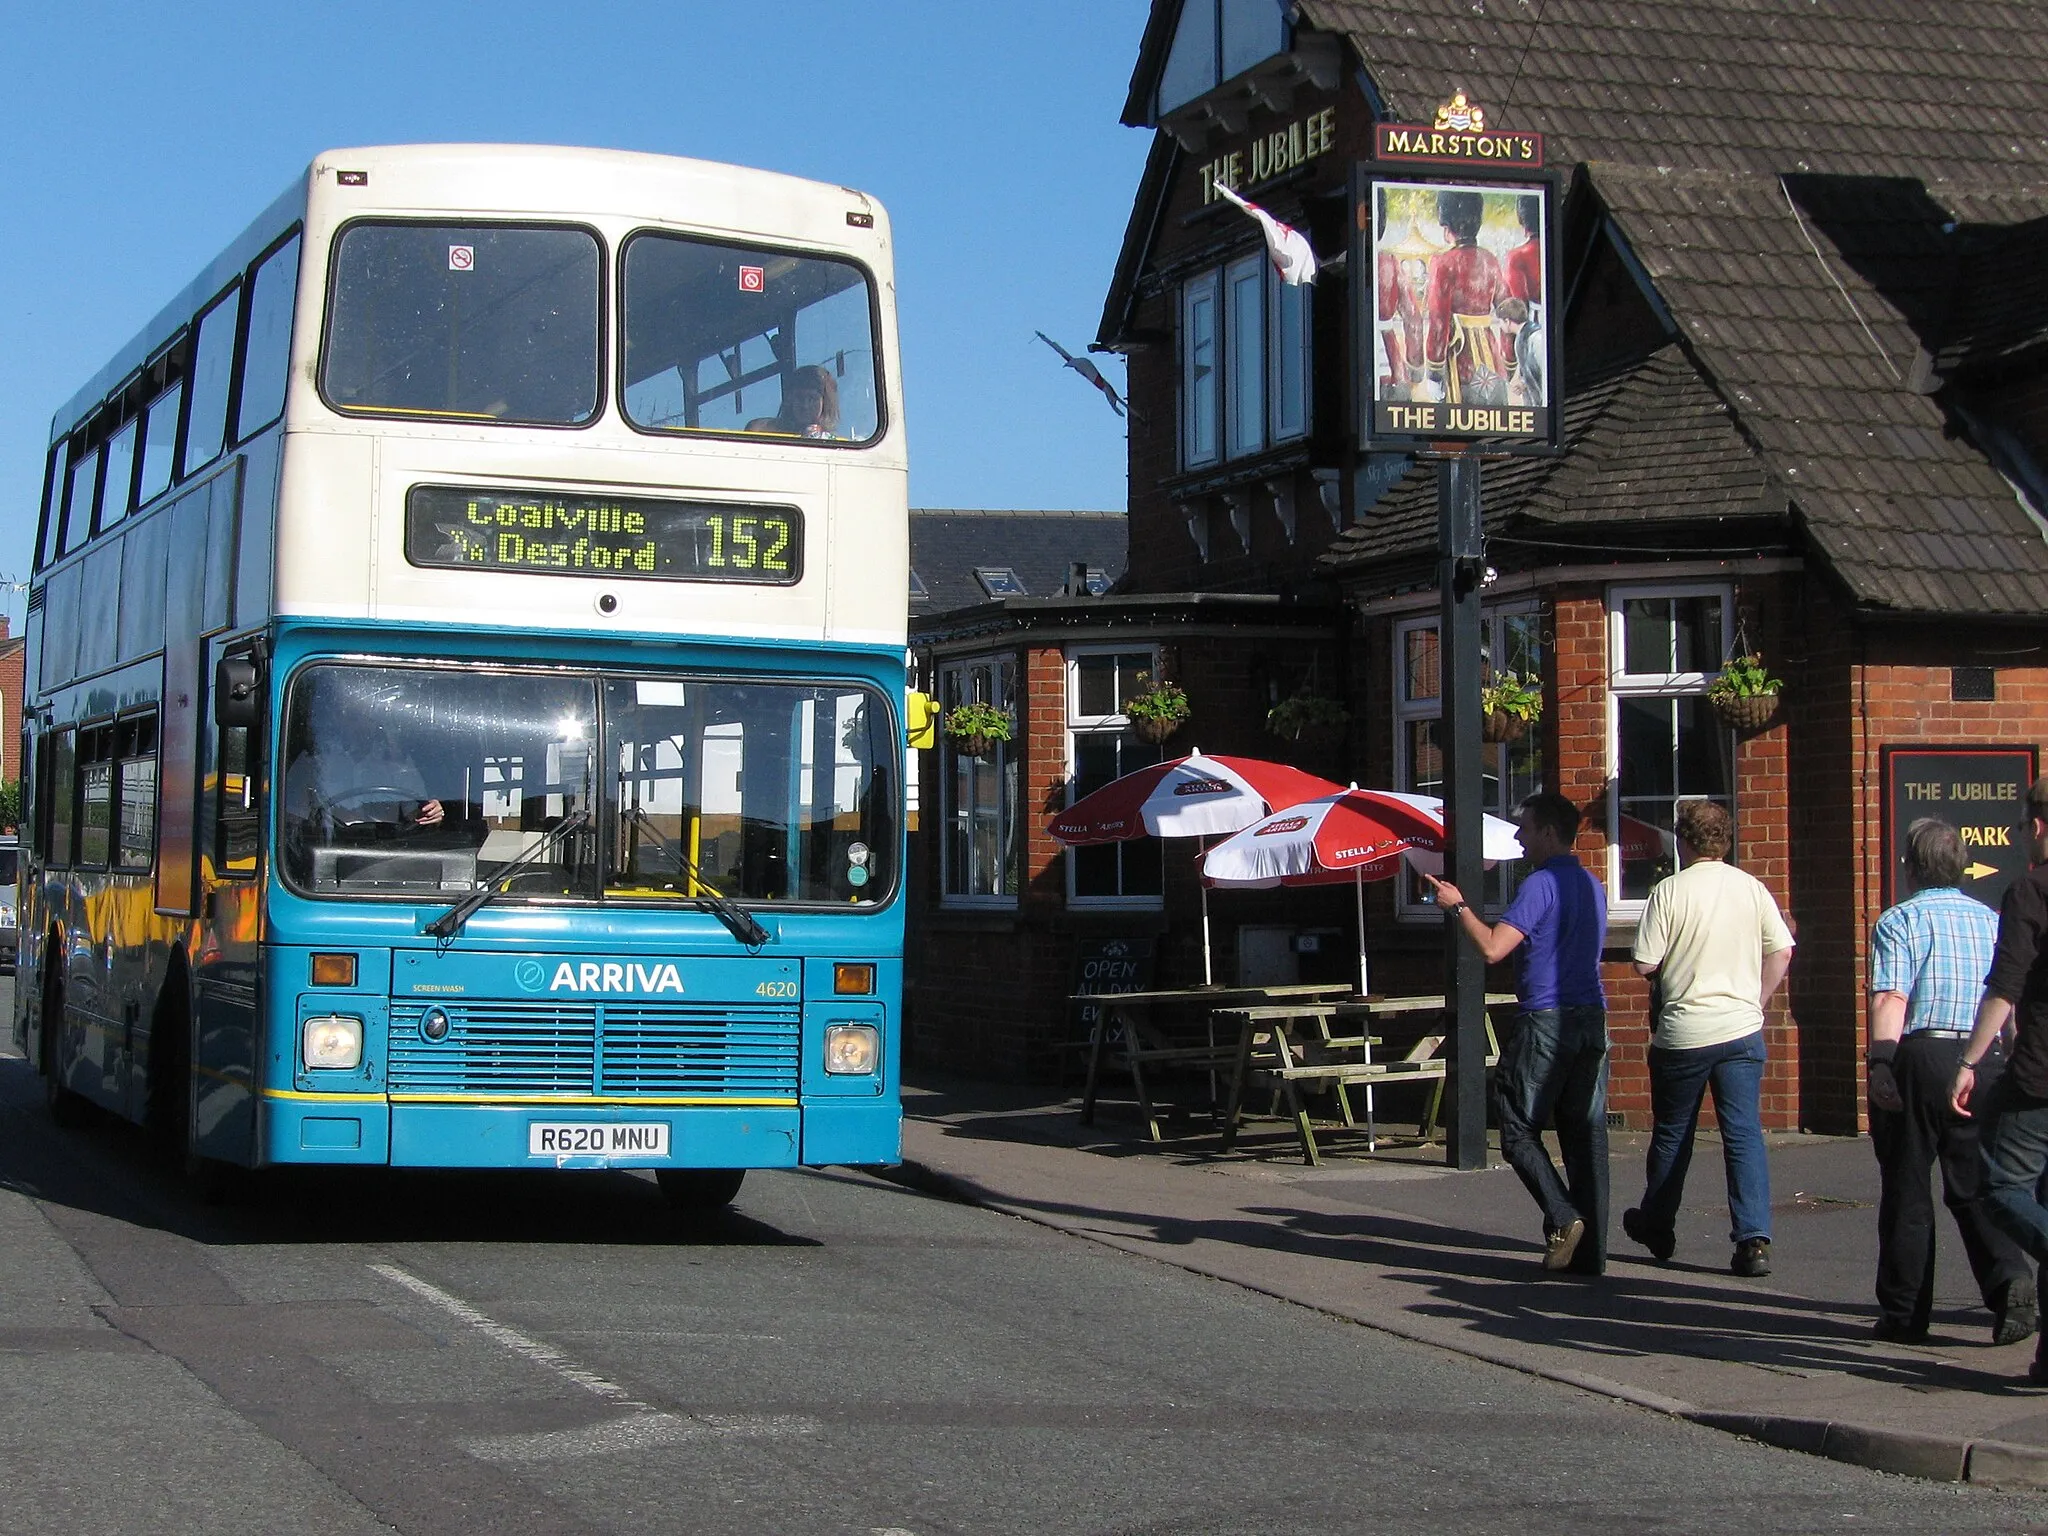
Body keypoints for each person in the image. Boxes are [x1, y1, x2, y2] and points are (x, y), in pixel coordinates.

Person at [1422, 791, 1610, 1274]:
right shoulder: (1592, 884)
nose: (1519, 837)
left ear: (1549, 832)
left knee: (1516, 1127)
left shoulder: (1540, 884)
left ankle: (1564, 1216)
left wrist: (1455, 905)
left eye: (1525, 828)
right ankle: (1591, 1256)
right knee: (1583, 1135)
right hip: (1591, 1017)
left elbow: (1492, 949)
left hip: (1546, 1019)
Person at [1868, 818, 2033, 1344]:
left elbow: (1891, 997)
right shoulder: (1991, 920)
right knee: (1976, 1185)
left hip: (1922, 1053)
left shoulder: (1899, 921)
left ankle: (1905, 1311)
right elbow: (2007, 996)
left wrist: (1880, 1062)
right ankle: (2010, 1279)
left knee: (1908, 1186)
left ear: (1912, 868)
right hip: (1982, 1058)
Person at [1620, 800, 1794, 1278]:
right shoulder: (1752, 888)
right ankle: (1753, 1239)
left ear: (1684, 841)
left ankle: (1657, 1223)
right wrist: (1756, 1000)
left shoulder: (1669, 892)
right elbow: (1781, 951)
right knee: (1743, 1135)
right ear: (1726, 841)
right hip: (1740, 1028)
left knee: (1674, 1133)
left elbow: (1643, 963)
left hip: (1684, 1030)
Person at [1952, 775, 2048, 1382]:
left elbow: (2006, 984)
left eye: (2021, 827)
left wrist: (1969, 1062)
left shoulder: (2029, 890)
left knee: (1998, 1188)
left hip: (2038, 1075)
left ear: (2037, 827)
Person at [746, 364, 839, 438]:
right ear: (790, 400)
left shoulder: (838, 446)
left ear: (826, 403)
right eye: (799, 398)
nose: (805, 405)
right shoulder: (762, 431)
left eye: (812, 399)